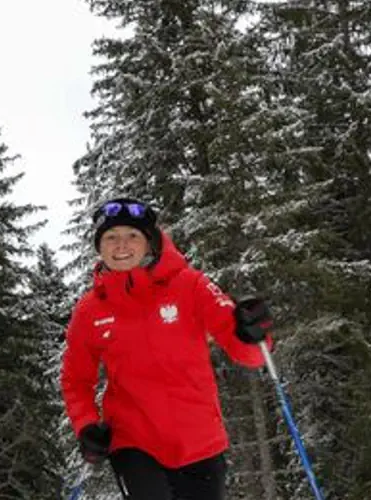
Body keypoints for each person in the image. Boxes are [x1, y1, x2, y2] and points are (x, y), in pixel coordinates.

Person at [59, 197, 275, 500]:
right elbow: (75, 379)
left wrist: (253, 331)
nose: (121, 245)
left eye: (132, 235)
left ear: (150, 242)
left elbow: (248, 354)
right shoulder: (90, 310)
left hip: (200, 440)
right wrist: (86, 425)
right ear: (99, 247)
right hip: (133, 442)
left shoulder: (191, 285)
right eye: (111, 237)